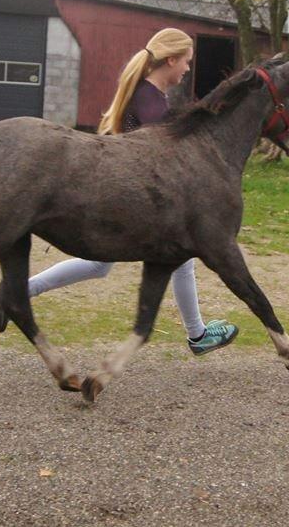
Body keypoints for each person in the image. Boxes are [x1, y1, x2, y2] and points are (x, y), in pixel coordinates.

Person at [26, 28, 238, 355]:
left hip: (129, 192)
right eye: (186, 62)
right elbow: (165, 146)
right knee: (180, 258)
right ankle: (197, 335)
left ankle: (24, 289)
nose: (186, 70)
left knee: (101, 265)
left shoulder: (149, 94)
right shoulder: (149, 98)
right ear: (171, 60)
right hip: (133, 197)